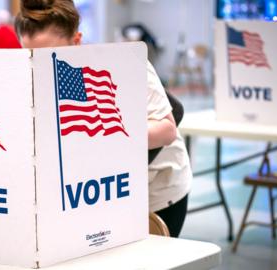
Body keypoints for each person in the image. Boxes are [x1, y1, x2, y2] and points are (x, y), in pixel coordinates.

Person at [15, 0, 192, 238]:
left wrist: (105, 134)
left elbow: (167, 130)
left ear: (76, 41)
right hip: (99, 191)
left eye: (49, 55)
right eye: (30, 55)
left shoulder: (123, 64)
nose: (39, 65)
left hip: (158, 187)